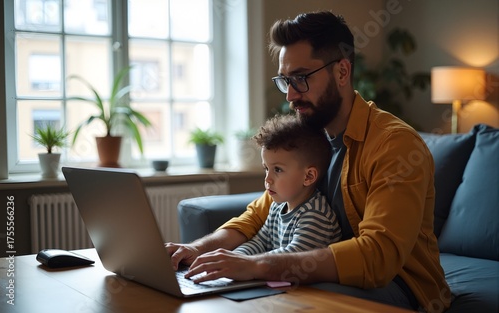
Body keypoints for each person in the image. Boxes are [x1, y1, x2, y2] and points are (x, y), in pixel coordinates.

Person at [166, 10, 451, 312]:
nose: (290, 95)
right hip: (334, 276)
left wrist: (257, 265)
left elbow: (377, 257)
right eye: (285, 80)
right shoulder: (311, 137)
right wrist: (194, 249)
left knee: (282, 300)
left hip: (402, 287)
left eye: (300, 79)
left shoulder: (393, 144)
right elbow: (257, 216)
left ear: (342, 72)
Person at [233, 114, 341, 255]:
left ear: (308, 176)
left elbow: (291, 258)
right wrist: (235, 256)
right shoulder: (277, 207)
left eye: (277, 169)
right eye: (266, 168)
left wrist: (244, 263)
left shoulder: (316, 216)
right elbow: (260, 242)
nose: (267, 179)